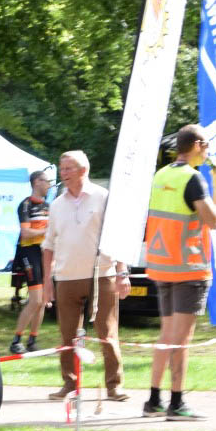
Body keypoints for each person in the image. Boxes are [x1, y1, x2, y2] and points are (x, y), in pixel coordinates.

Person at [143, 125, 216, 420]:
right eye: (207, 145)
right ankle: (176, 403)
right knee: (181, 339)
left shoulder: (161, 175)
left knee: (166, 335)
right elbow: (213, 221)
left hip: (161, 265)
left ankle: (153, 400)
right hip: (188, 268)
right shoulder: (193, 178)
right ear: (198, 145)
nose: (208, 151)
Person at [42, 151, 128, 402]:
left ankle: (114, 386)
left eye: (69, 168)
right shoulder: (57, 204)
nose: (63, 173)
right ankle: (70, 384)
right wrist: (47, 281)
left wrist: (122, 273)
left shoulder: (103, 197)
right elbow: (48, 245)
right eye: (62, 169)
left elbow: (117, 237)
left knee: (107, 333)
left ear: (83, 171)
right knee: (67, 335)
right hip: (66, 277)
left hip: (102, 275)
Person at [8, 169, 52, 354]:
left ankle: (32, 340)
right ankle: (16, 340)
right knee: (35, 300)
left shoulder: (49, 206)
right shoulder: (26, 205)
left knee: (42, 301)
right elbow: (26, 233)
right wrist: (47, 231)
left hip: (44, 253)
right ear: (36, 182)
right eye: (46, 181)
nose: (49, 185)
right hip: (29, 252)